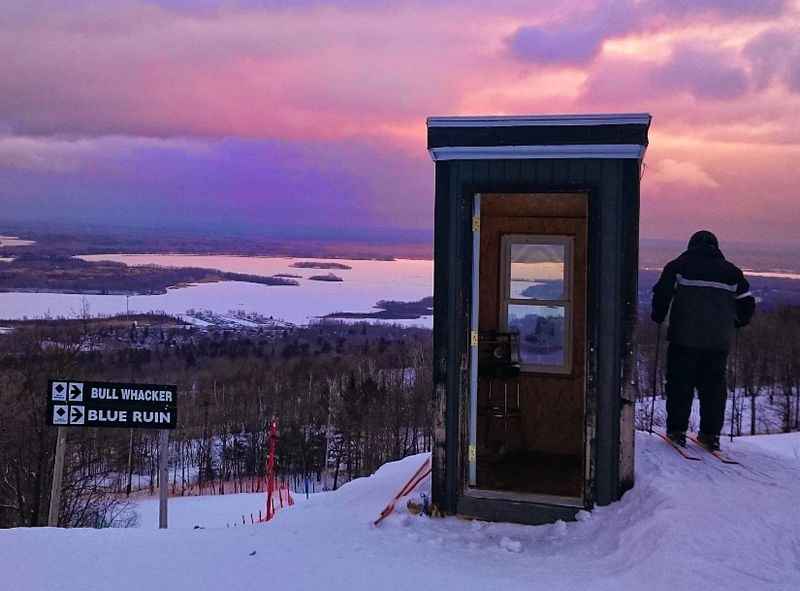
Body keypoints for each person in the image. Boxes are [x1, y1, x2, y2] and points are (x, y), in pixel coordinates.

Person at [651, 230, 755, 450]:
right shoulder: (732, 272)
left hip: (683, 338)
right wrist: (737, 323)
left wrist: (658, 316)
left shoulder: (678, 266)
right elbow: (747, 304)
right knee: (713, 389)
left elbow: (662, 293)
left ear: (691, 245)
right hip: (717, 342)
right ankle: (710, 435)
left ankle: (677, 430)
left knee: (680, 384)